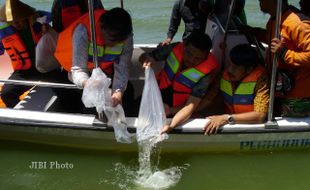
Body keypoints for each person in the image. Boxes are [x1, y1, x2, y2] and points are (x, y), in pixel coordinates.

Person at [53, 8, 133, 113]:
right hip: (74, 71)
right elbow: (78, 70)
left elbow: (122, 69)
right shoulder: (82, 32)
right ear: (101, 28)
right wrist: (88, 84)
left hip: (103, 70)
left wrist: (118, 92)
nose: (116, 44)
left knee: (128, 92)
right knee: (90, 104)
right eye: (112, 39)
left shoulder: (125, 36)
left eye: (120, 40)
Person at [140, 31, 219, 134]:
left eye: (197, 58)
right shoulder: (175, 47)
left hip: (180, 106)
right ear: (184, 46)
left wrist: (171, 124)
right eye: (189, 54)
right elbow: (144, 56)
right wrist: (147, 60)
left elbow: (191, 105)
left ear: (205, 57)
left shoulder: (206, 74)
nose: (191, 60)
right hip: (159, 94)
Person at [254, 0, 310, 117]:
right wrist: (255, 33)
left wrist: (284, 53)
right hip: (280, 88)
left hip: (298, 95)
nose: (259, 2)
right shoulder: (275, 20)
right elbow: (278, 41)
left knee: (293, 127)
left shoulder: (297, 23)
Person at [203, 44, 270, 135]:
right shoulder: (224, 75)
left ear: (249, 69)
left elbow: (260, 116)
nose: (230, 70)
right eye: (229, 64)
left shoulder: (261, 80)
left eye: (235, 67)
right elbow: (208, 98)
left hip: (249, 124)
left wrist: (226, 118)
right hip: (229, 119)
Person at [0, 0, 56, 108]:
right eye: (11, 21)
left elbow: (56, 17)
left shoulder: (39, 20)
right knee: (6, 94)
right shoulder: (4, 32)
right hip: (25, 71)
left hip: (49, 67)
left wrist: (42, 20)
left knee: (66, 89)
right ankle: (20, 118)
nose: (15, 24)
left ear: (26, 16)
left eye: (18, 20)